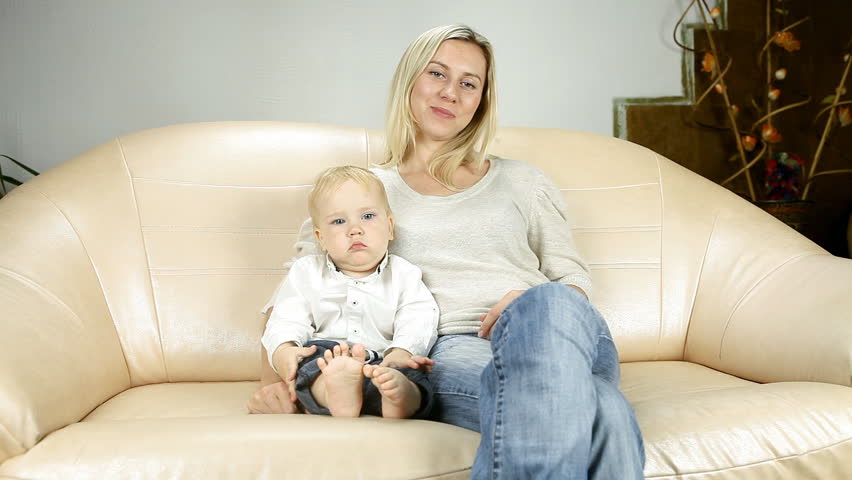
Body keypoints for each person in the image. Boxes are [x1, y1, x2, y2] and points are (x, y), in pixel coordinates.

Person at [249, 24, 645, 478]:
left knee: (549, 304)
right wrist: (280, 386)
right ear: (410, 80)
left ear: (481, 101)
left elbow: (572, 279)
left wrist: (533, 307)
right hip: (457, 345)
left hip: (562, 331)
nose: (450, 92)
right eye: (437, 74)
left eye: (469, 83)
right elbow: (294, 293)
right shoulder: (358, 195)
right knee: (606, 411)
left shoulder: (524, 181)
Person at [260, 165, 439, 419]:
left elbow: (419, 316)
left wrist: (403, 350)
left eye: (367, 216)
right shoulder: (306, 272)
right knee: (309, 365)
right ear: (320, 237)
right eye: (339, 221)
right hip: (328, 358)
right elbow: (288, 316)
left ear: (390, 227)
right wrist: (284, 349)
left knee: (410, 372)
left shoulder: (405, 274)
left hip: (382, 359)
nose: (355, 229)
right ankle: (333, 392)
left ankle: (401, 396)